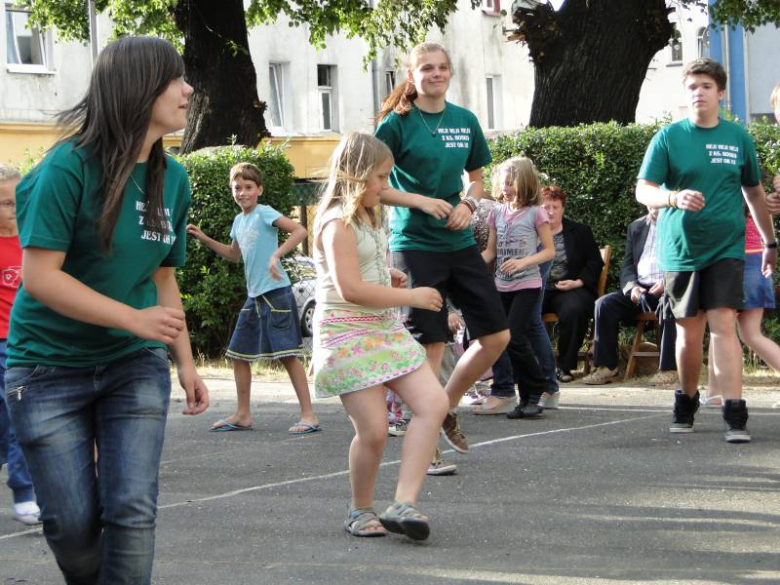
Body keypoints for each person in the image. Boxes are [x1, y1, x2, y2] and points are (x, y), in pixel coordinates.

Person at [5, 37, 209, 584]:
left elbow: (162, 278)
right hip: (46, 369)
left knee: (132, 511)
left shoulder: (176, 179)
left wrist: (184, 361)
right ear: (138, 87)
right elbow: (42, 277)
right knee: (70, 526)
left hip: (132, 363)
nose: (188, 90)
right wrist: (133, 319)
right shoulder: (67, 167)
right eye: (176, 79)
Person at [375, 42, 510, 461]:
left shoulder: (465, 120)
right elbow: (374, 186)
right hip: (415, 244)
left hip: (457, 241)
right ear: (412, 76)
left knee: (496, 335)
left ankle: (444, 406)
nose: (436, 74)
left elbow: (477, 179)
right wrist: (420, 201)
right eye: (427, 68)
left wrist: (469, 204)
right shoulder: (395, 124)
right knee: (432, 343)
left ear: (450, 74)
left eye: (442, 68)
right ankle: (426, 439)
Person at [312, 131, 448, 541]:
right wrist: (411, 296)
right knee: (372, 431)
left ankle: (403, 502)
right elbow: (349, 290)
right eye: (382, 178)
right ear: (356, 176)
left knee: (434, 402)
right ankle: (360, 509)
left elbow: (360, 269)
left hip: (382, 327)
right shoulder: (336, 222)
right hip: (347, 332)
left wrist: (385, 274)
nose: (386, 187)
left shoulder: (369, 214)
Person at [636, 58, 776, 443]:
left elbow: (754, 192)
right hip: (681, 250)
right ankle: (687, 398)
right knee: (688, 334)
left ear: (721, 92)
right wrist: (673, 196)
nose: (698, 93)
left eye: (706, 86)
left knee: (724, 325)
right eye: (693, 86)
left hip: (727, 248)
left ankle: (734, 412)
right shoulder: (668, 137)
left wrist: (768, 241)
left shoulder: (738, 137)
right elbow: (643, 189)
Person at [187, 163, 320, 435]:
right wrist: (204, 238)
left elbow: (299, 231)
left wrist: (276, 255)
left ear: (259, 190)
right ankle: (243, 414)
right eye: (237, 188)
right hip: (255, 296)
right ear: (231, 190)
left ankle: (309, 415)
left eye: (248, 187)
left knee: (288, 355)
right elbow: (234, 254)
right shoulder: (239, 221)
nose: (243, 192)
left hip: (276, 293)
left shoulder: (264, 213)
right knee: (238, 354)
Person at [480, 157, 554, 417]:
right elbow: (490, 252)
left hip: (527, 284)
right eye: (503, 183)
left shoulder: (536, 213)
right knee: (506, 341)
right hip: (502, 286)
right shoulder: (496, 213)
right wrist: (468, 270)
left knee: (515, 337)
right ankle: (527, 397)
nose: (506, 188)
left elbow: (548, 251)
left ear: (524, 183)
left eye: (510, 183)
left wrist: (523, 262)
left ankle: (537, 388)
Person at [582, 207, 677, 385]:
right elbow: (627, 266)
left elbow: (686, 258)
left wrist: (667, 282)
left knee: (668, 304)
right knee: (604, 304)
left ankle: (669, 369)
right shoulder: (636, 226)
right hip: (639, 289)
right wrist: (632, 287)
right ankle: (607, 368)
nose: (654, 205)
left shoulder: (679, 223)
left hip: (668, 288)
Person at [0, 165, 40, 526]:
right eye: (4, 203)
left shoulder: (32, 240)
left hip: (24, 345)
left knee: (19, 416)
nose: (12, 210)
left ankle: (25, 490)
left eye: (17, 202)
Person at [540, 185, 604, 383]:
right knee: (518, 308)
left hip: (568, 287)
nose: (550, 212)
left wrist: (577, 282)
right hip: (538, 288)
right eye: (546, 207)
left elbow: (595, 262)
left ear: (563, 208)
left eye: (555, 207)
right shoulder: (530, 231)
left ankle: (564, 366)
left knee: (574, 309)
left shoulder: (580, 232)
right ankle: (527, 367)